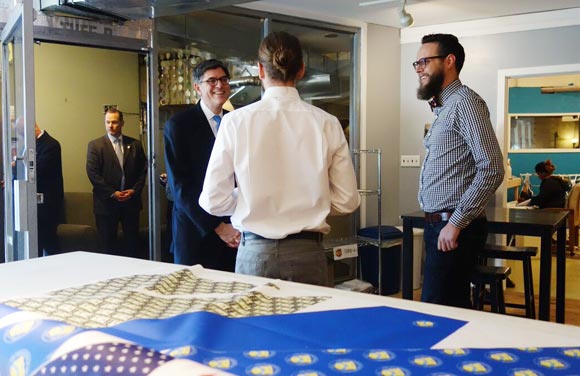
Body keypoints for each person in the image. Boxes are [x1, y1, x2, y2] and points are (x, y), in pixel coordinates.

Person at [199, 31, 361, 286]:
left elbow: (212, 201)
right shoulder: (327, 123)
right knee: (306, 327)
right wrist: (310, 200)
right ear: (301, 71)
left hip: (255, 253)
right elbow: (348, 200)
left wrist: (247, 198)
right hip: (308, 253)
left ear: (260, 71)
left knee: (254, 326)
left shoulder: (235, 122)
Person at [414, 33, 504, 308]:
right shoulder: (445, 108)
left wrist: (455, 223)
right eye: (416, 63)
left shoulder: (465, 103)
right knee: (447, 307)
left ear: (449, 61)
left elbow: (492, 168)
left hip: (453, 225)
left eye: (425, 61)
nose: (419, 68)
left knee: (438, 310)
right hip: (442, 225)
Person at [164, 59, 238, 271]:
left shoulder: (237, 121)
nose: (219, 85)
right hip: (195, 231)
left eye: (224, 79)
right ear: (198, 87)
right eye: (212, 81)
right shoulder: (179, 125)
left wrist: (236, 225)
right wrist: (217, 227)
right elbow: (181, 187)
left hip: (234, 232)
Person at [86, 108, 147, 258]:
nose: (110, 126)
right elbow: (93, 174)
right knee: (107, 246)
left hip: (130, 203)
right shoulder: (96, 145)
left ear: (122, 123)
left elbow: (143, 170)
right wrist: (112, 193)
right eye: (107, 122)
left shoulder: (135, 144)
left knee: (132, 245)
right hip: (106, 204)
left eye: (114, 122)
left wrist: (134, 190)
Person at [35, 123, 64, 256]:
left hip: (48, 205)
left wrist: (15, 165)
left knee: (49, 243)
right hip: (37, 206)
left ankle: (58, 273)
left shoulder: (51, 145)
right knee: (42, 242)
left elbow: (39, 170)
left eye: (22, 133)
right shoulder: (33, 145)